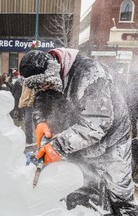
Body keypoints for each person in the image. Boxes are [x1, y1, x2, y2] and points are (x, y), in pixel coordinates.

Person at [19, 48, 138, 215]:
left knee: (119, 192)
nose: (42, 88)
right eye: (37, 85)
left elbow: (97, 123)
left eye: (43, 83)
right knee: (80, 187)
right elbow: (43, 101)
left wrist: (58, 147)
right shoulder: (48, 82)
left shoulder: (89, 73)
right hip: (77, 138)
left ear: (52, 70)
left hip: (112, 138)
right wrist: (42, 122)